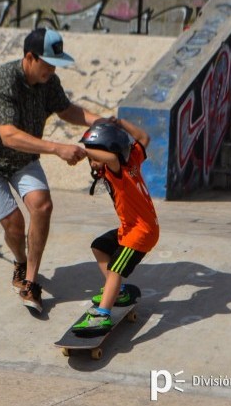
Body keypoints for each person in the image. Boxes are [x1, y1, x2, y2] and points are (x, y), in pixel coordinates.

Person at [0, 28, 105, 314]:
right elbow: (9, 135)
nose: (52, 69)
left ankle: (30, 281)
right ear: (29, 57)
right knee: (14, 223)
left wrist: (101, 121)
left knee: (42, 206)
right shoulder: (3, 82)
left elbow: (67, 110)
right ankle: (20, 261)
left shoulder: (49, 82)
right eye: (48, 63)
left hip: (21, 158)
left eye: (56, 64)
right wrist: (57, 148)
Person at [72, 118, 159, 334]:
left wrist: (84, 151)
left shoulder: (116, 170)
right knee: (99, 246)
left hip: (140, 233)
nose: (92, 162)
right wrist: (119, 123)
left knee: (115, 269)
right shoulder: (133, 159)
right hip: (130, 227)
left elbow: (110, 157)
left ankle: (102, 315)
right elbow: (143, 137)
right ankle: (118, 293)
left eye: (94, 157)